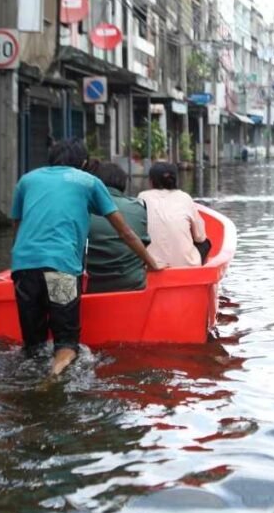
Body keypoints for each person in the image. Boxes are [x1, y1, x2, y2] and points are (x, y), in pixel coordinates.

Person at [11, 138, 162, 376]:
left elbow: (18, 228)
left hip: (23, 269)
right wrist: (153, 264)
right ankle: (54, 376)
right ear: (83, 163)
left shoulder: (27, 181)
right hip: (60, 270)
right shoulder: (88, 181)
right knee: (67, 345)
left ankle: (31, 383)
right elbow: (125, 232)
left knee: (33, 346)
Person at [86, 162, 151, 294]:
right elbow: (144, 243)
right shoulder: (138, 208)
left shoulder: (81, 208)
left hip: (90, 287)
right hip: (132, 285)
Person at [139, 162, 207, 269]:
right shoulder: (185, 198)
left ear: (151, 182)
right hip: (187, 267)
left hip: (151, 266)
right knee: (206, 243)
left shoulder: (142, 197)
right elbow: (200, 237)